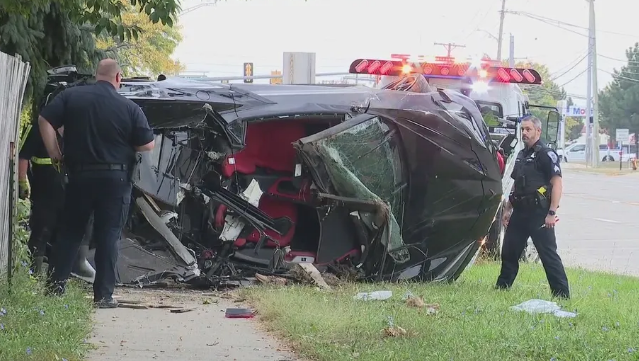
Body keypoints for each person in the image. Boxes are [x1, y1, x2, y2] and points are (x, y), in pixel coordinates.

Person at [38, 58, 155, 308]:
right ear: (118, 78)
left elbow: (45, 120)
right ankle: (103, 296)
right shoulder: (129, 107)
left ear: (96, 75)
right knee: (108, 236)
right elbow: (147, 145)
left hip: (80, 176)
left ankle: (55, 289)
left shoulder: (72, 97)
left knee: (70, 232)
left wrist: (55, 153)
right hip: (116, 179)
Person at [495, 115, 570, 299]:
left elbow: (557, 184)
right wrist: (507, 209)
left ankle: (561, 294)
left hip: (539, 213)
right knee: (509, 252)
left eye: (528, 129)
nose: (524, 133)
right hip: (520, 212)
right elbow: (516, 185)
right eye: (522, 129)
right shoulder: (521, 155)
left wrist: (552, 212)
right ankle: (502, 288)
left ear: (538, 131)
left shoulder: (546, 154)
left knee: (548, 255)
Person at [18, 124, 96, 282]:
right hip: (44, 189)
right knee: (42, 230)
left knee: (75, 229)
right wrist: (22, 181)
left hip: (71, 189)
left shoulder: (78, 127)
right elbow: (23, 156)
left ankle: (70, 270)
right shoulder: (38, 129)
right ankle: (35, 275)